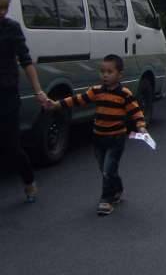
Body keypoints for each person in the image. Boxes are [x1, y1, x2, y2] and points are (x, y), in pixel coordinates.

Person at [48, 54, 147, 216]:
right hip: (98, 137)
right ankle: (117, 188)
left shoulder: (124, 94)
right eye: (102, 72)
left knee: (108, 170)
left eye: (110, 72)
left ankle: (106, 200)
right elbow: (77, 100)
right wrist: (57, 105)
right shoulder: (96, 91)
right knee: (105, 169)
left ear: (119, 74)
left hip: (116, 138)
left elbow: (136, 111)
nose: (105, 75)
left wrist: (141, 126)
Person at [0, 0, 49, 203]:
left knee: (11, 145)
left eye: (5, 8)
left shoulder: (11, 28)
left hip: (7, 94)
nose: (2, 12)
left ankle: (28, 181)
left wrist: (38, 91)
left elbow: (26, 62)